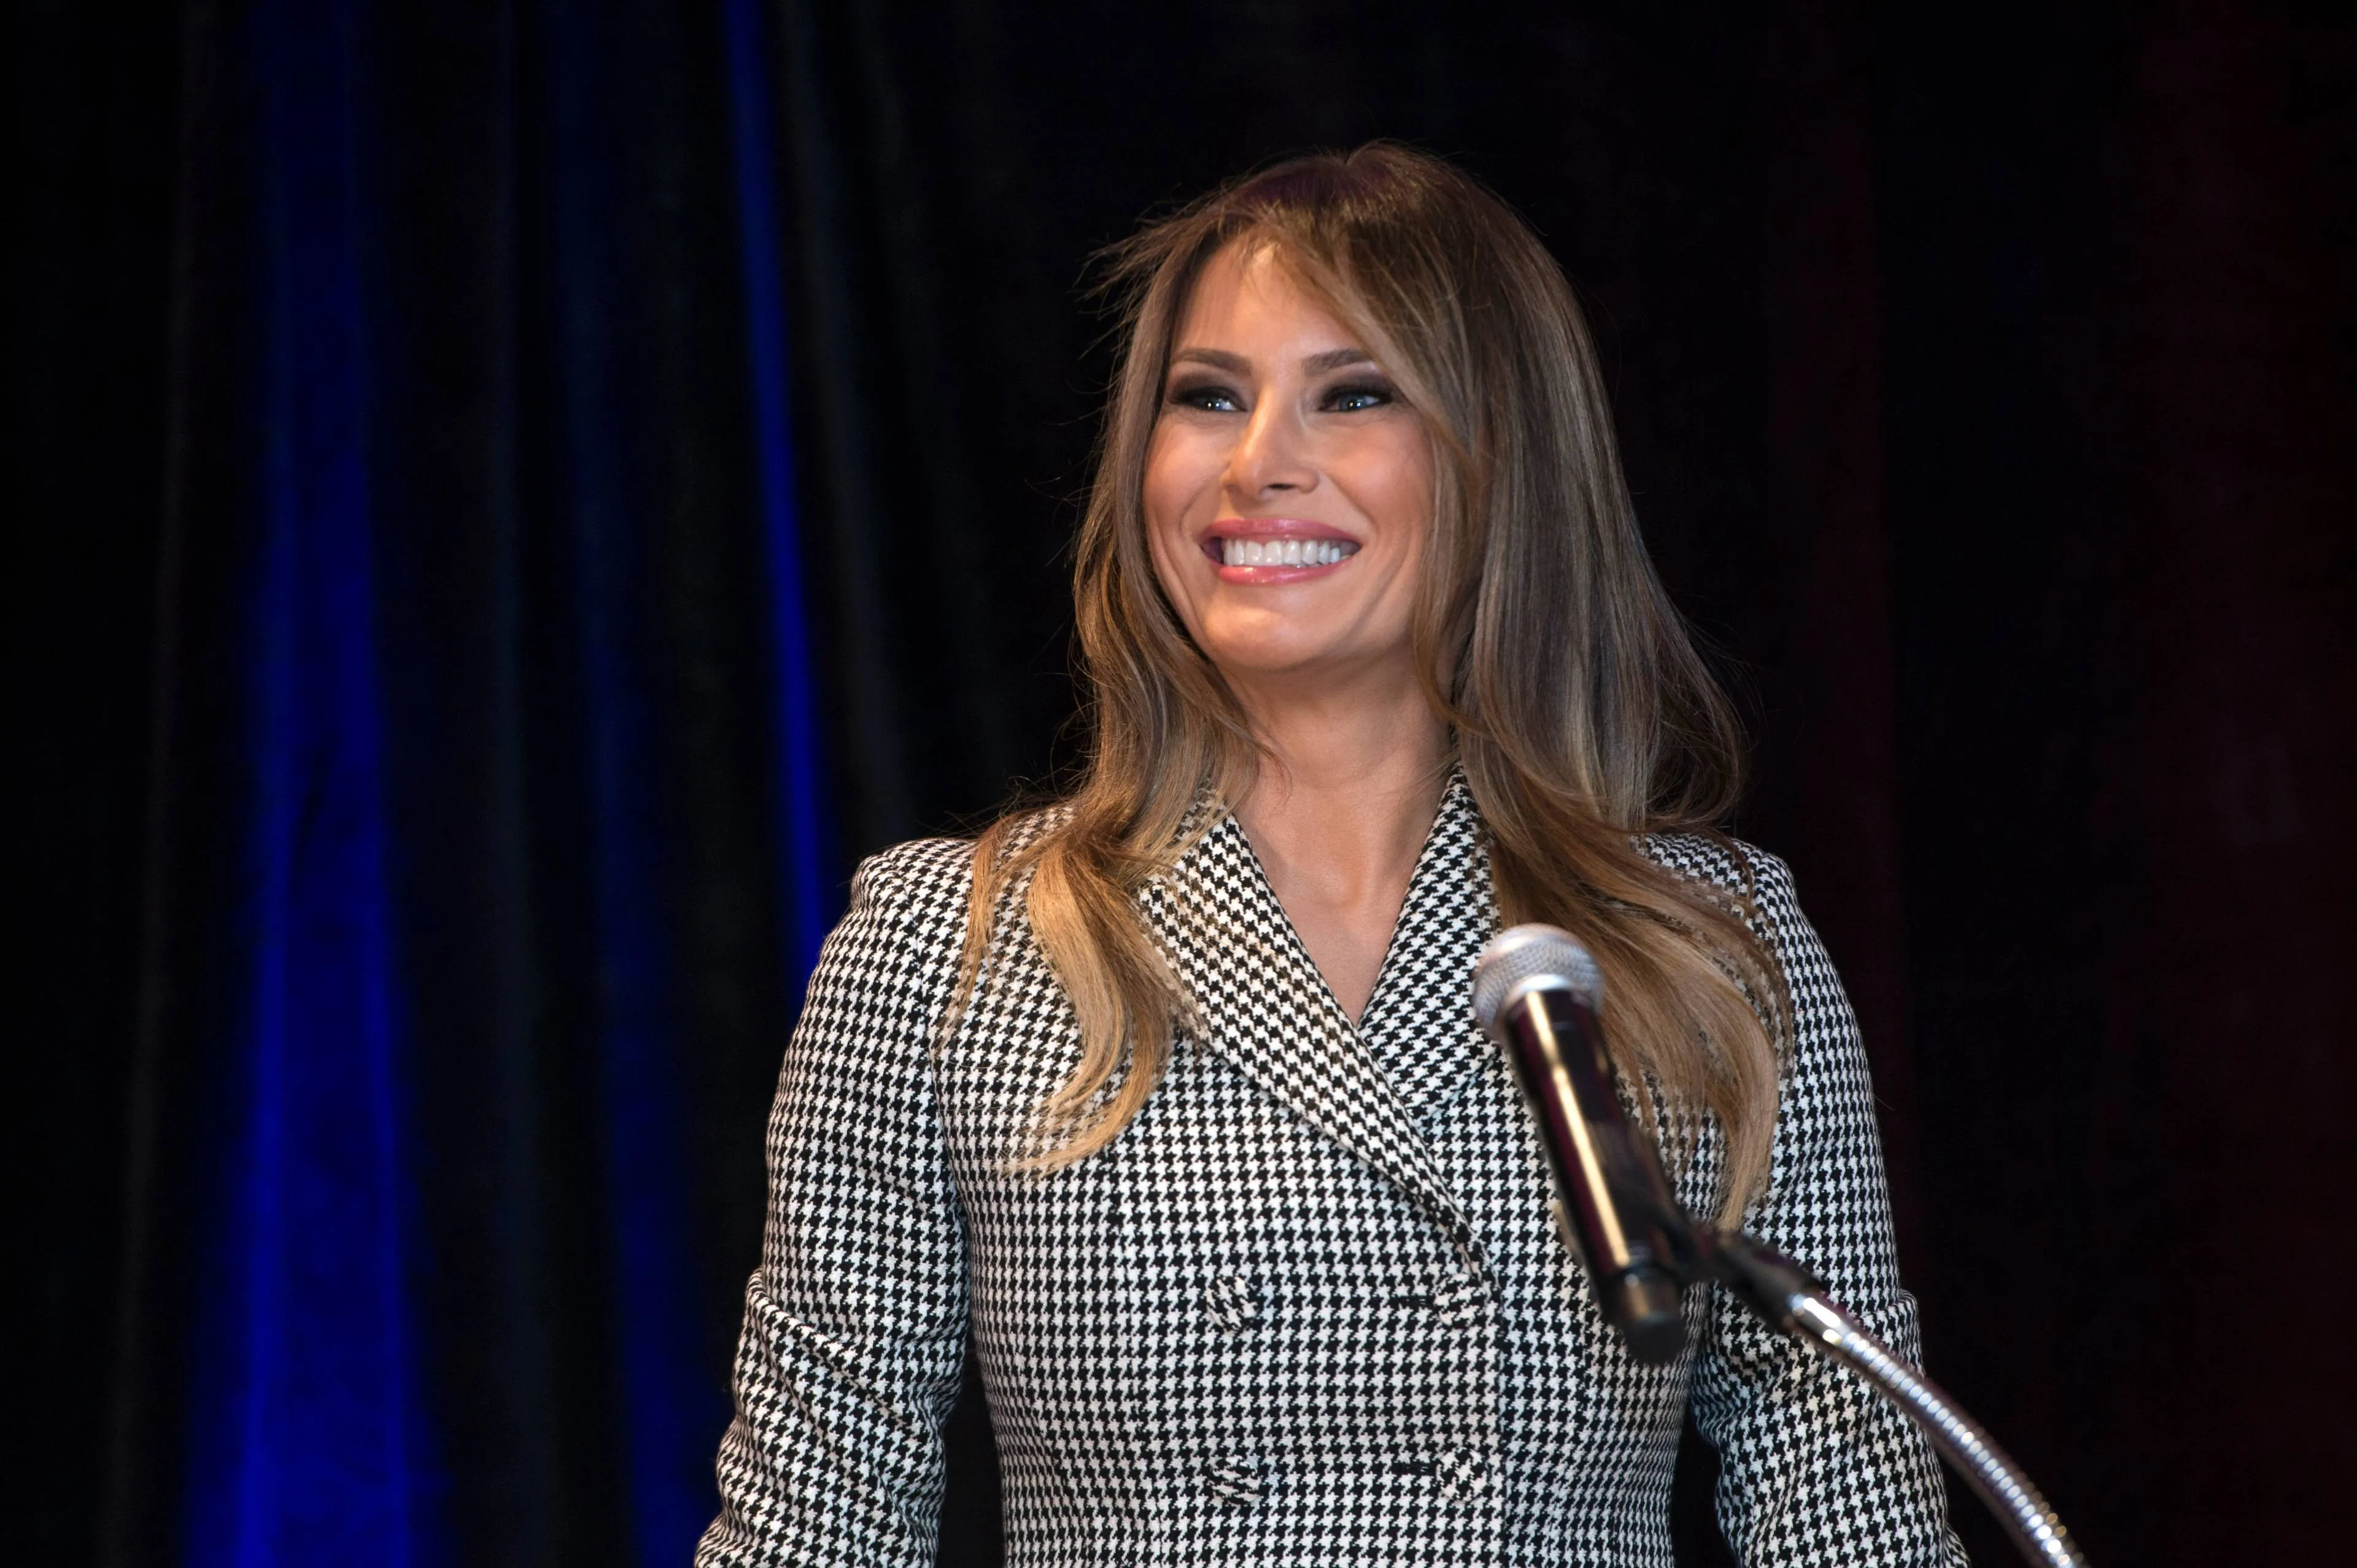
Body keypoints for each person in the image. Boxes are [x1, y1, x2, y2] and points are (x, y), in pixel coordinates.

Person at [695, 143, 1966, 1567]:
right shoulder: (953, 941)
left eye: (1352, 394)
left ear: (1505, 461)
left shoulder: (1701, 944)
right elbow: (815, 1522)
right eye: (1208, 397)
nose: (1257, 465)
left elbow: (1853, 1516)